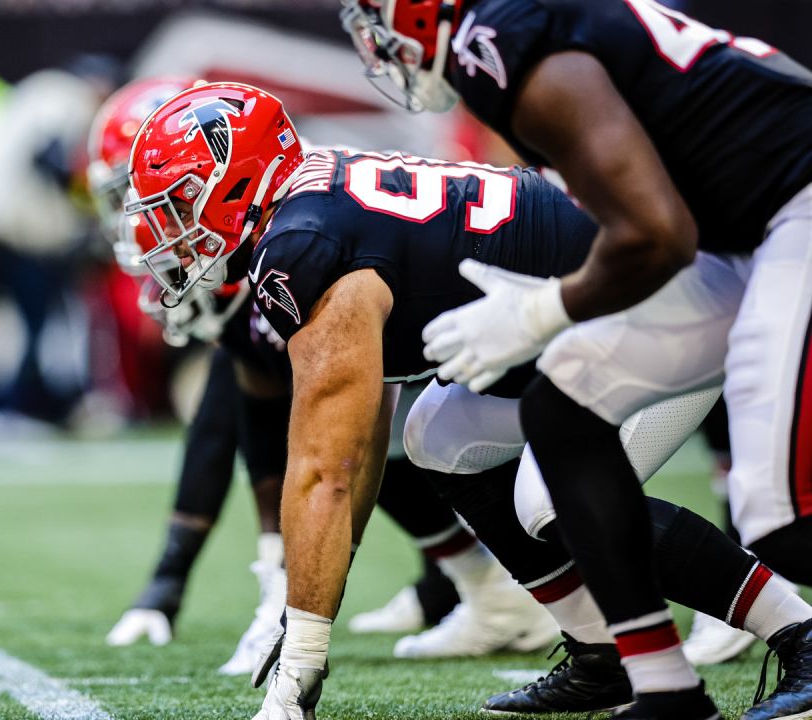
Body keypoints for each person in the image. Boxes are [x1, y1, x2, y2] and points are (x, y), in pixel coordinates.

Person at [125, 81, 812, 720]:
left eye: (179, 202)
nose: (167, 231)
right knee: (439, 438)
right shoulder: (310, 202)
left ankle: (799, 633)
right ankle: (603, 652)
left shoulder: (303, 248)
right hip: (583, 321)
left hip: (658, 303)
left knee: (549, 497)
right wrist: (306, 609)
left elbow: (324, 470)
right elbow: (356, 447)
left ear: (235, 179)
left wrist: (302, 649)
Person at [343, 1, 812, 716]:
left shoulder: (498, 40)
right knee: (562, 417)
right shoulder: (510, 31)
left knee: (778, 513)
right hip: (734, 233)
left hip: (792, 205)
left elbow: (655, 233)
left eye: (378, 17)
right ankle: (663, 688)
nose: (378, 43)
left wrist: (542, 310)